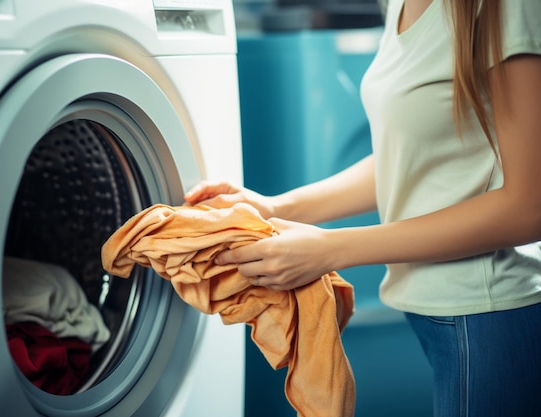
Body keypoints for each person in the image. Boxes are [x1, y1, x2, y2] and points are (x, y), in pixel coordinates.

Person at [183, 0, 541, 416]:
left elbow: (528, 206)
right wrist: (276, 206)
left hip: (491, 314)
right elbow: (409, 154)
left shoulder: (506, 7)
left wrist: (331, 249)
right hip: (437, 313)